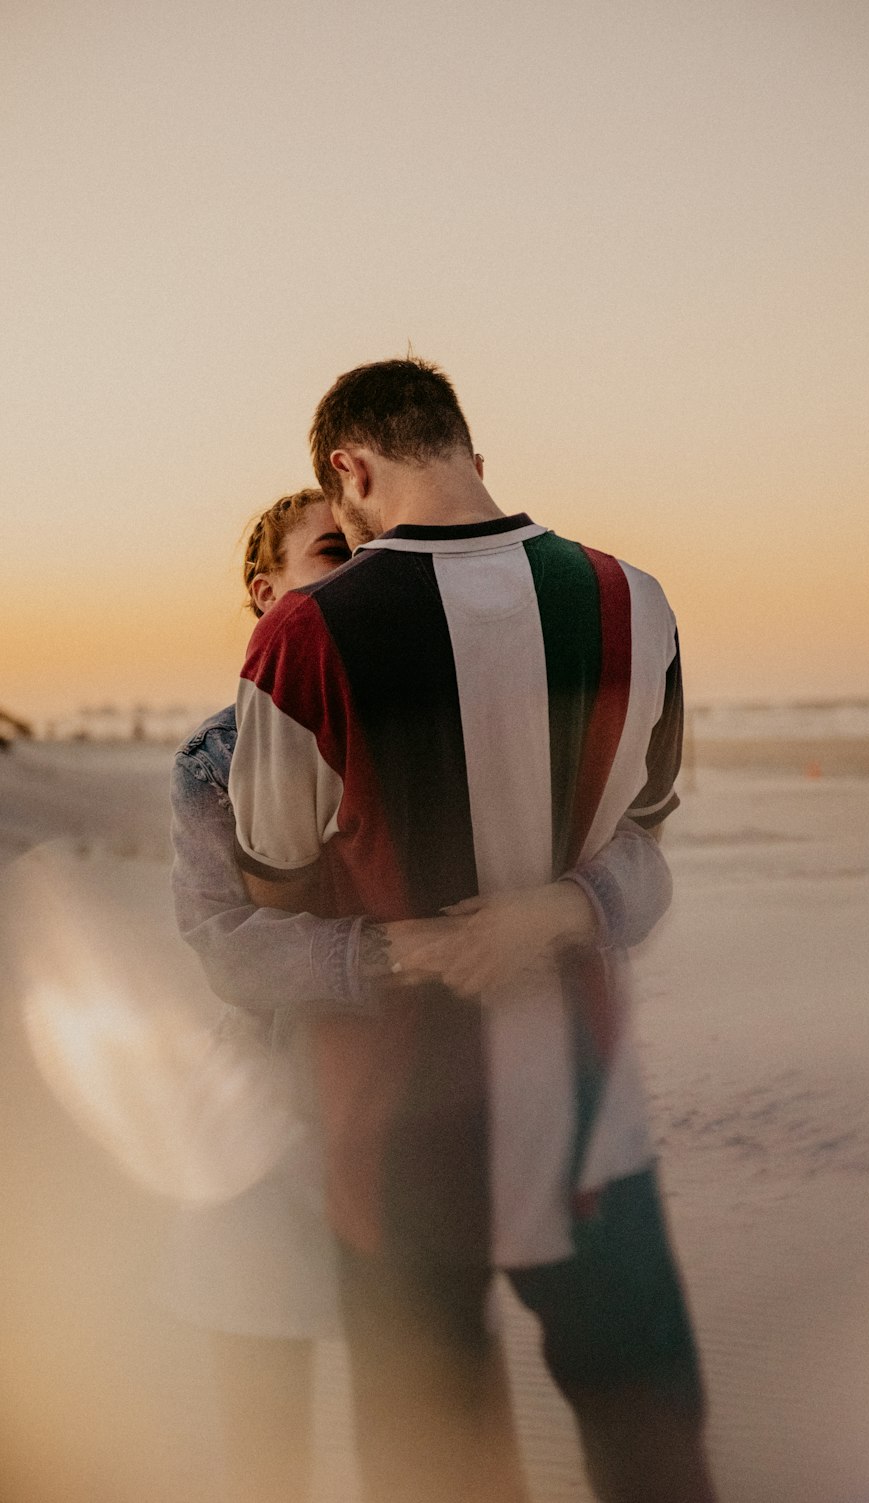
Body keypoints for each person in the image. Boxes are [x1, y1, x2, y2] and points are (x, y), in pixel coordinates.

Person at [228, 358, 716, 1503]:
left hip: (394, 1115)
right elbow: (645, 832)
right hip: (590, 1106)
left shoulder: (300, 636)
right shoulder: (634, 600)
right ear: (472, 457)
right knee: (649, 1441)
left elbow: (276, 881)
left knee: (433, 1460)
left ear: (348, 470)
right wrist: (558, 907)